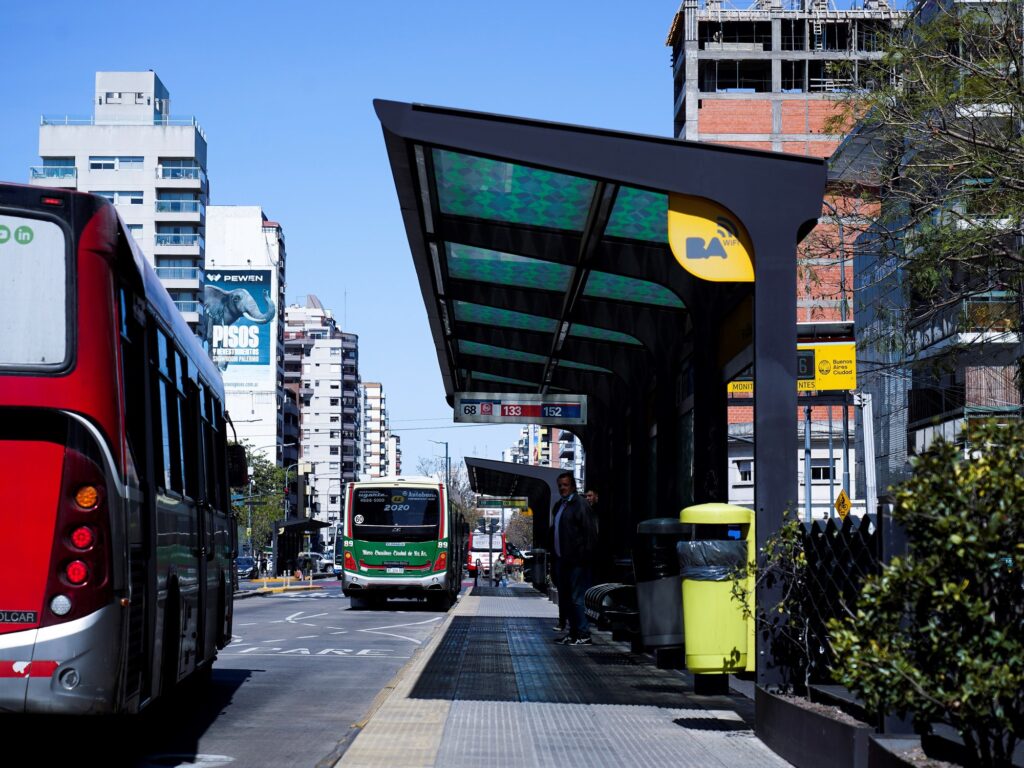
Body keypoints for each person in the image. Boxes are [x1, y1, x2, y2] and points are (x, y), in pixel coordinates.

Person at [552, 472, 598, 646]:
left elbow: (589, 533)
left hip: (577, 560)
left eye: (565, 485)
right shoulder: (561, 506)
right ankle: (573, 633)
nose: (562, 488)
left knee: (577, 597)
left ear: (572, 486)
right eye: (560, 485)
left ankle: (584, 633)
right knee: (566, 598)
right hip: (563, 560)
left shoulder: (580, 505)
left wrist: (584, 556)